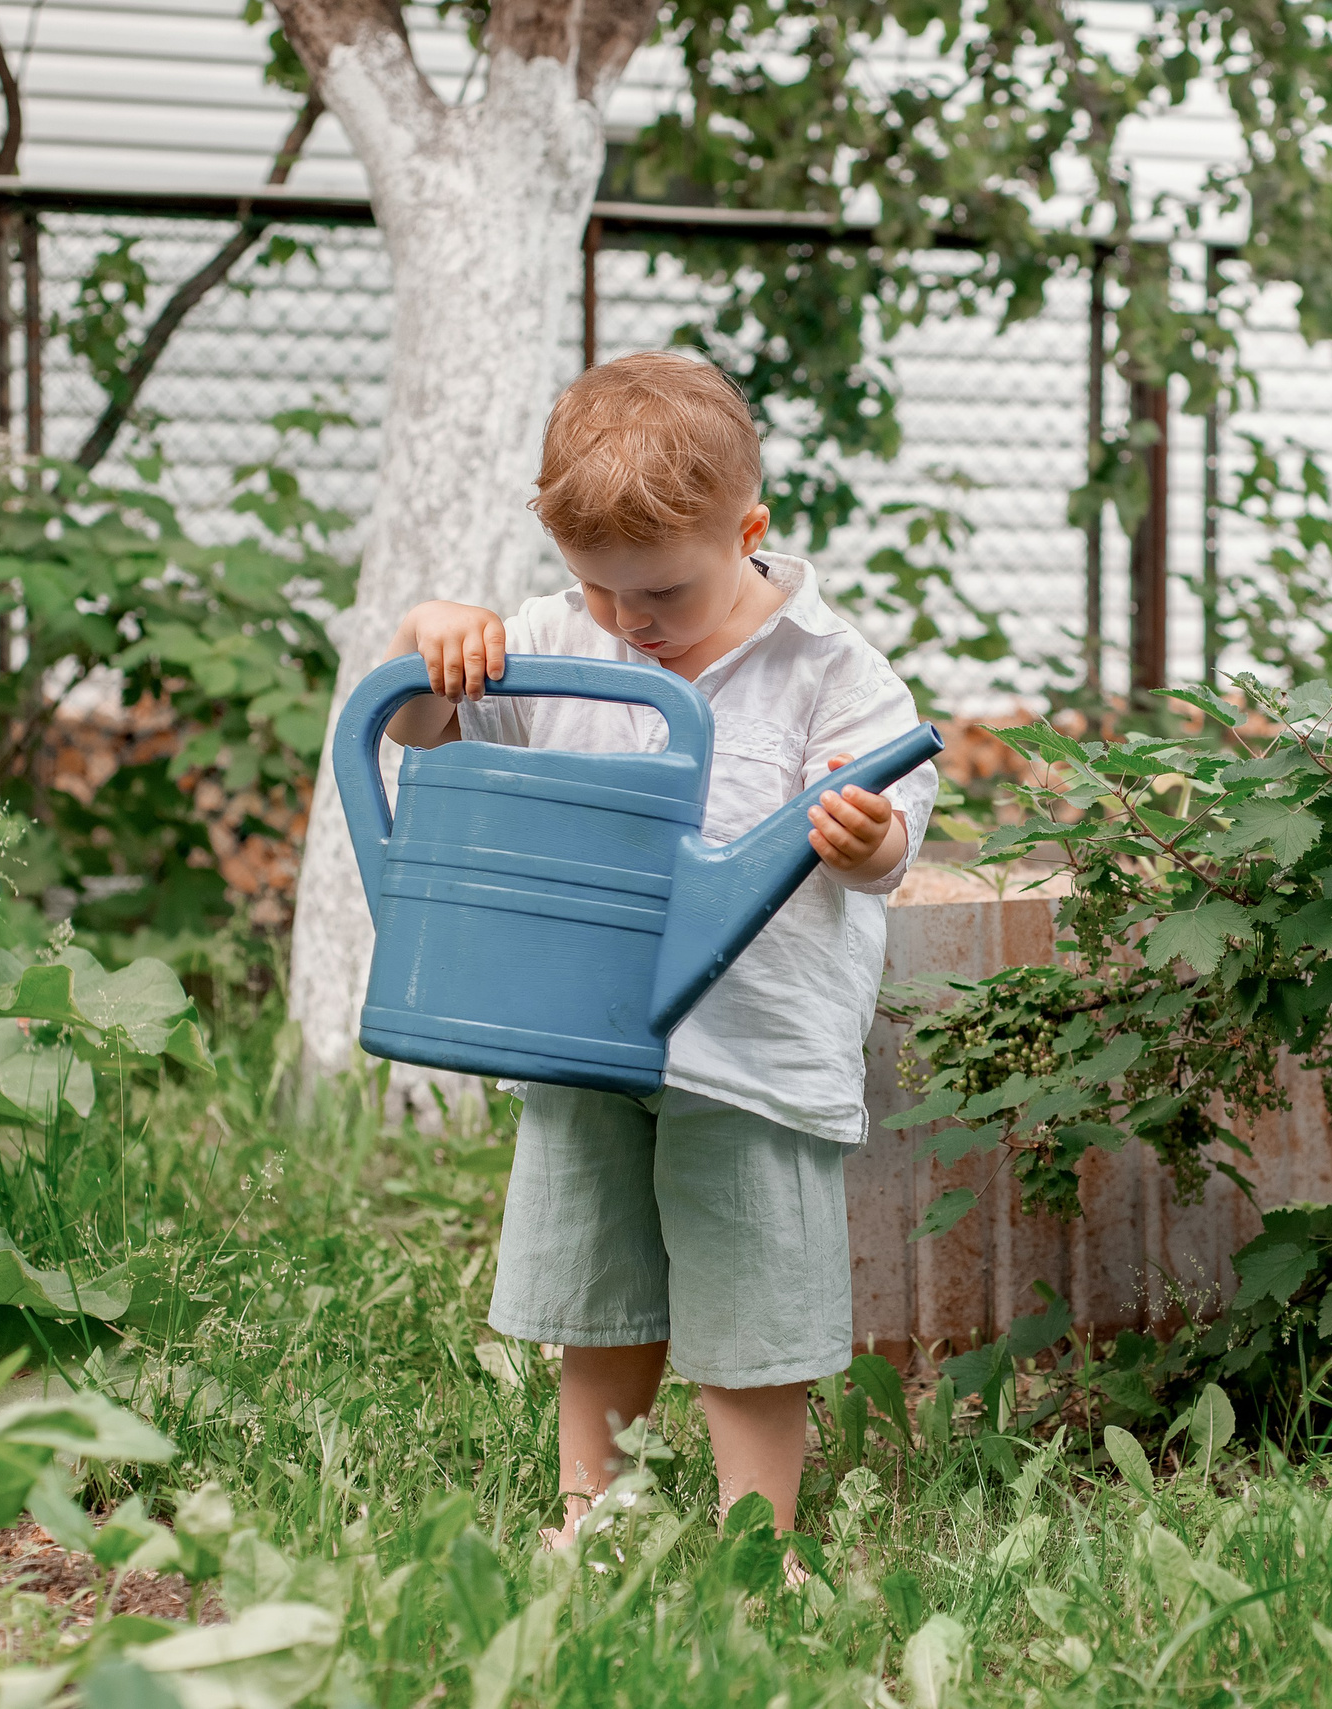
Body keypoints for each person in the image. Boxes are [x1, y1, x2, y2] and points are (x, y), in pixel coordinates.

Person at [379, 350, 936, 1546]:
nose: (631, 623)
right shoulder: (541, 641)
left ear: (750, 531)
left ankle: (754, 1537)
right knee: (598, 1297)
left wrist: (864, 833)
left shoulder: (830, 670)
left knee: (750, 1307)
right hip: (582, 1036)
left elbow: (893, 842)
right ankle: (594, 1512)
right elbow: (428, 732)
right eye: (600, 590)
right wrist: (430, 644)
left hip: (752, 1055)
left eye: (664, 595)